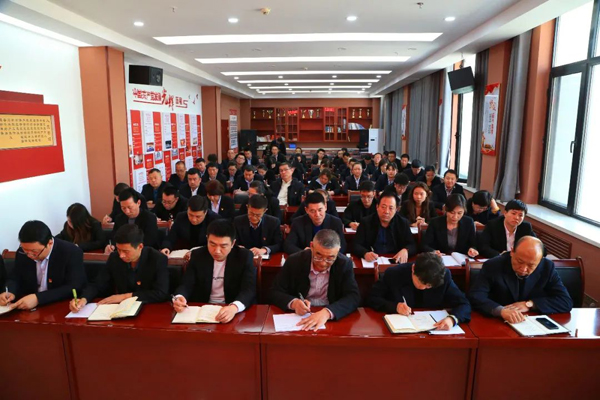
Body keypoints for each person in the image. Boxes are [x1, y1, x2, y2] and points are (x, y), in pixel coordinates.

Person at [269, 229, 360, 330]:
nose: (323, 263)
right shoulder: (295, 261)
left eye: (330, 258)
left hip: (329, 318)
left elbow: (353, 297)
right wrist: (293, 303)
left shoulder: (344, 264)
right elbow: (275, 291)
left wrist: (328, 312)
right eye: (318, 256)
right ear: (311, 246)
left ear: (338, 250)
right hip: (300, 316)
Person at [468, 236, 572, 323]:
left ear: (540, 260)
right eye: (519, 261)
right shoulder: (493, 265)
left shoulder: (547, 267)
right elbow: (475, 296)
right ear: (512, 252)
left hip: (531, 323)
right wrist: (501, 311)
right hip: (498, 323)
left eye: (531, 265)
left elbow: (565, 301)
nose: (523, 269)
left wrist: (530, 304)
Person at [69, 224, 169, 313]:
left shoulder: (157, 259)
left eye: (126, 251)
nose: (121, 255)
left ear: (140, 246)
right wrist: (84, 299)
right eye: (119, 250)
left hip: (149, 309)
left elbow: (161, 293)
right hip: (122, 310)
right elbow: (98, 284)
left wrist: (125, 297)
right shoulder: (114, 258)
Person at [172, 220, 257, 323]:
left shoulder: (244, 256)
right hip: (202, 309)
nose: (217, 251)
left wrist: (234, 307)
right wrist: (180, 297)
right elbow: (186, 284)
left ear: (233, 243)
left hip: (231, 308)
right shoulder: (197, 255)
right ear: (207, 239)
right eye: (212, 244)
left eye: (223, 246)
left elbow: (249, 289)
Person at [368, 252, 471, 329]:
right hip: (401, 328)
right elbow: (372, 298)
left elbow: (464, 304)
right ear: (413, 269)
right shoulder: (394, 274)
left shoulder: (444, 276)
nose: (423, 287)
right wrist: (395, 307)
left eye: (429, 286)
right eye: (421, 282)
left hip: (434, 329)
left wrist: (452, 319)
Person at [0, 221, 85, 310]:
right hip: (29, 308)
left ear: (49, 243)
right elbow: (15, 277)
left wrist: (38, 298)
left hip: (60, 306)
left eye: (34, 252)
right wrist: (9, 292)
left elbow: (74, 286)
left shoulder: (70, 252)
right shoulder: (22, 253)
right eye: (25, 250)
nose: (29, 255)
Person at [354, 191, 416, 263]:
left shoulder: (403, 223)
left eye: (391, 208)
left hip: (395, 261)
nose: (386, 211)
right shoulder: (366, 222)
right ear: (377, 207)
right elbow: (356, 245)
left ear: (396, 209)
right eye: (383, 207)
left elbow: (412, 245)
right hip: (373, 261)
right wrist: (365, 253)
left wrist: (406, 250)